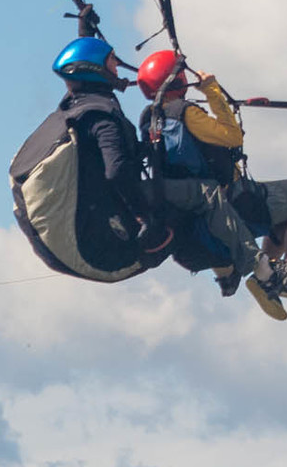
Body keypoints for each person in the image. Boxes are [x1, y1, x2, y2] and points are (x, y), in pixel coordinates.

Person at [135, 48, 287, 310]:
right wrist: (212, 92)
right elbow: (232, 136)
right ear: (178, 81)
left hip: (202, 207)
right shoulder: (187, 114)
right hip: (234, 200)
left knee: (285, 213)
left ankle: (266, 273)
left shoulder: (150, 120)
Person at [10, 36, 177, 284]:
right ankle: (235, 266)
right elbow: (117, 171)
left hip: (55, 244)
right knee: (195, 200)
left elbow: (84, 66)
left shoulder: (75, 106)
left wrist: (85, 31)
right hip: (100, 253)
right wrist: (144, 216)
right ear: (95, 69)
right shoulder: (103, 119)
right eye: (112, 61)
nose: (117, 67)